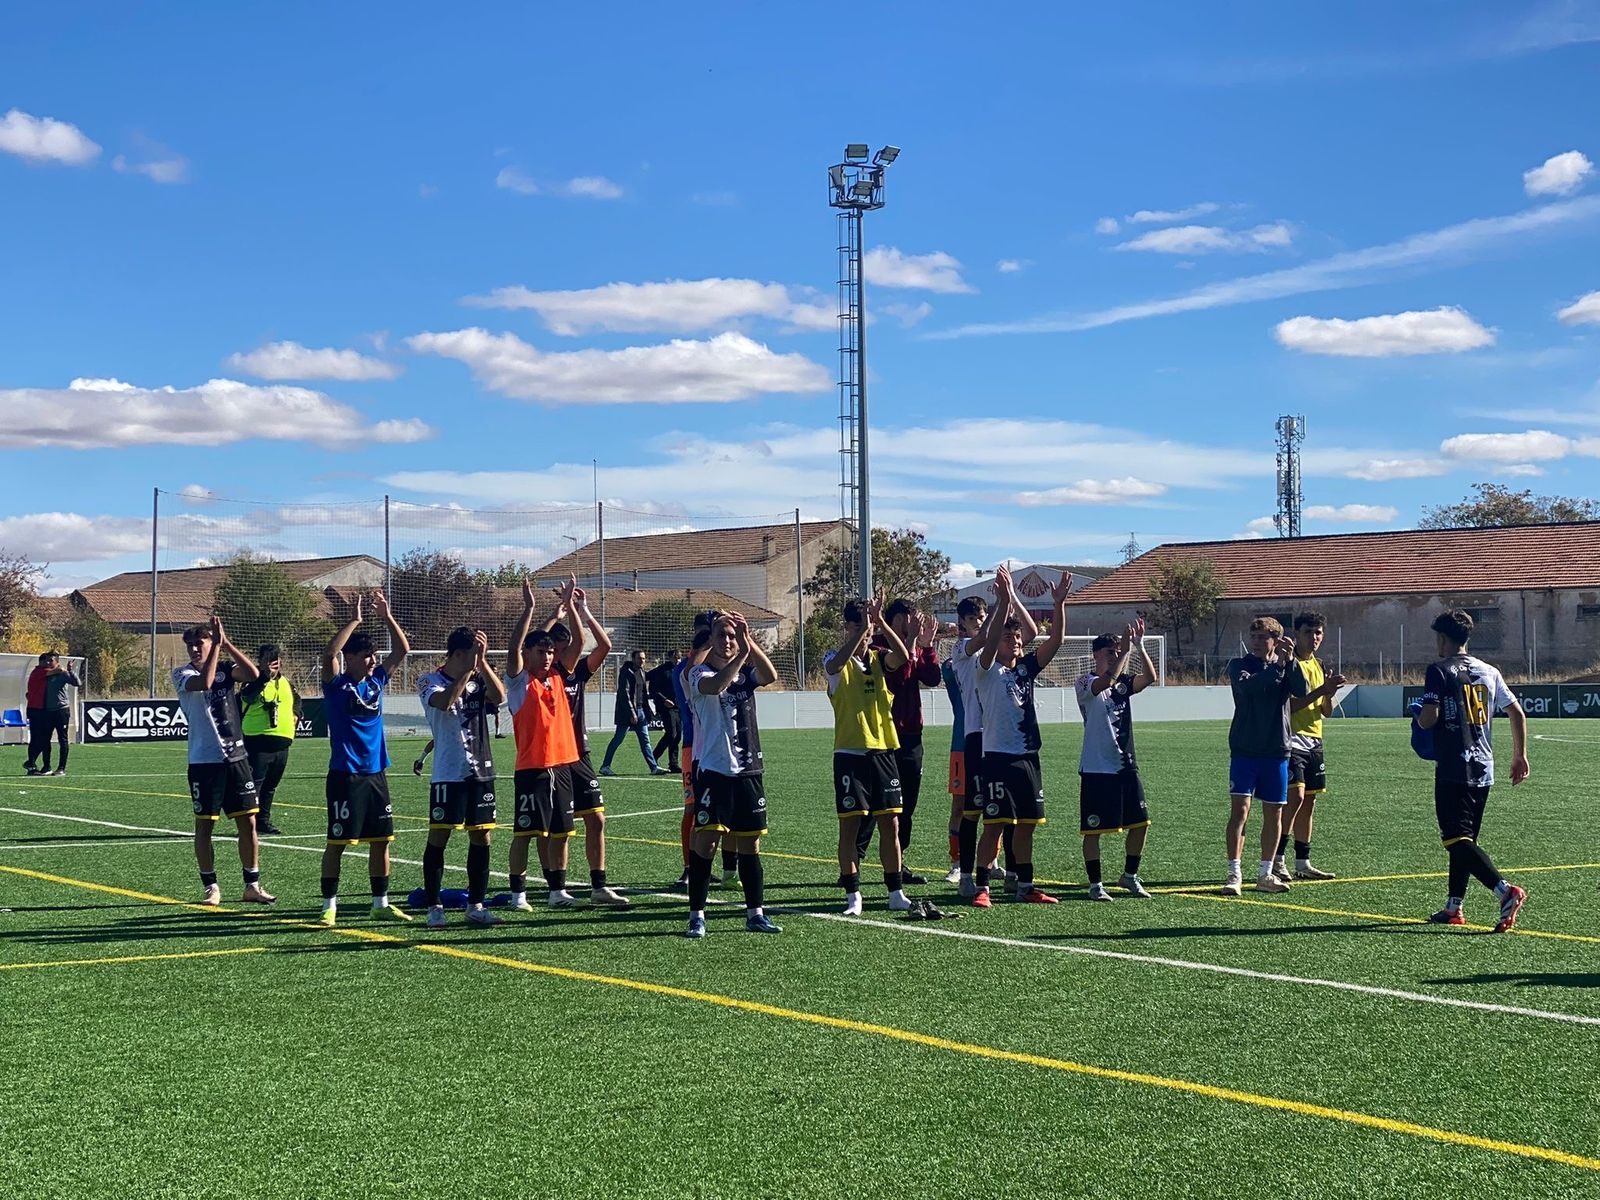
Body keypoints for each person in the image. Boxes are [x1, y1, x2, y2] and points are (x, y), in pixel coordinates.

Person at [506, 578, 621, 909]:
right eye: (540, 652)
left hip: (564, 764)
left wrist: (573, 606)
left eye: (550, 652)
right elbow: (516, 648)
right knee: (526, 833)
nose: (547, 657)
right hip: (533, 767)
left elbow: (582, 641)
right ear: (529, 653)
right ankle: (518, 895)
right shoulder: (519, 683)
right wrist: (530, 609)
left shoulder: (558, 675)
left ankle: (558, 892)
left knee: (560, 832)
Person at [1416, 610, 1530, 931]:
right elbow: (1516, 712)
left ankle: (1505, 891)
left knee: (1456, 839)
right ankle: (1454, 906)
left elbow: (1429, 718)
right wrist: (1519, 756)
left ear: (1442, 637)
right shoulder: (1488, 670)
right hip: (1484, 766)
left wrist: (1418, 717)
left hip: (1454, 765)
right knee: (1466, 840)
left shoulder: (1438, 670)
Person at [971, 566, 1065, 907]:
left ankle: (1025, 886)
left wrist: (1059, 605)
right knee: (995, 824)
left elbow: (1055, 641)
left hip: (1028, 758)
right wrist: (1003, 600)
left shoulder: (1025, 669)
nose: (1015, 642)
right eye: (1009, 639)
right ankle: (982, 886)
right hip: (997, 757)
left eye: (1017, 639)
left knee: (1026, 825)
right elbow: (993, 636)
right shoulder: (986, 670)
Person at [685, 611, 781, 938]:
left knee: (750, 845)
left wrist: (748, 641)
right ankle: (696, 914)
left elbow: (769, 675)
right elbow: (715, 686)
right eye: (722, 635)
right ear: (710, 639)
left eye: (731, 635)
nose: (727, 641)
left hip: (749, 769)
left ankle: (755, 913)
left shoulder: (744, 672)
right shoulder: (698, 673)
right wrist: (742, 653)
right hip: (715, 770)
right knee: (709, 843)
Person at [319, 591, 412, 926]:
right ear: (352, 657)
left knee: (381, 841)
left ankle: (380, 903)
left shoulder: (377, 683)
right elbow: (329, 653)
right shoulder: (336, 685)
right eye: (367, 656)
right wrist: (356, 619)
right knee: (338, 842)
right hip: (345, 774)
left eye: (374, 656)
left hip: (376, 773)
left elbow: (403, 650)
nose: (373, 660)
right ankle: (329, 905)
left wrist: (387, 615)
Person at [174, 617, 274, 906]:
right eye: (190, 645)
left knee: (249, 823)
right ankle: (211, 887)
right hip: (204, 762)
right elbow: (204, 682)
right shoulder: (181, 673)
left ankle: (252, 885)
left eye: (200, 643)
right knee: (205, 826)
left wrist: (226, 643)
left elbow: (255, 674)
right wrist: (216, 648)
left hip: (236, 758)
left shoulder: (226, 669)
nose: (194, 649)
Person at [826, 592, 914, 916]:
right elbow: (835, 664)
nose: (865, 632)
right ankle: (853, 895)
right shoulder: (834, 660)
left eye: (867, 626)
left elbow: (903, 657)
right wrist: (863, 631)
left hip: (883, 752)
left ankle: (895, 891)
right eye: (857, 625)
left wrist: (880, 624)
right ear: (847, 627)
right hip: (850, 753)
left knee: (890, 823)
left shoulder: (878, 659)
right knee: (850, 827)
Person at [418, 625, 506, 928]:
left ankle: (476, 905)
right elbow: (444, 703)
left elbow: (500, 696)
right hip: (448, 774)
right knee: (439, 837)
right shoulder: (428, 680)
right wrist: (467, 673)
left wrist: (481, 665)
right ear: (457, 654)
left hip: (481, 771)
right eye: (472, 653)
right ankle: (434, 907)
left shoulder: (479, 677)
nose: (476, 659)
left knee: (482, 836)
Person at [854, 601, 941, 885]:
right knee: (874, 804)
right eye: (908, 617)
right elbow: (900, 673)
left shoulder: (915, 644)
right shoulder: (877, 646)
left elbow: (931, 677)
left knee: (906, 805)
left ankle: (899, 864)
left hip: (912, 736)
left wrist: (926, 646)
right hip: (883, 736)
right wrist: (914, 642)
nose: (914, 622)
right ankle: (853, 860)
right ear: (894, 619)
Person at [1223, 617, 1310, 897]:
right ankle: (1234, 873)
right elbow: (1250, 688)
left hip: (1276, 751)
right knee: (1241, 811)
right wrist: (1279, 667)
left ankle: (1265, 873)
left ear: (1276, 640)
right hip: (1245, 750)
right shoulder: (1239, 666)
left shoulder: (1286, 665)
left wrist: (1291, 661)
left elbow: (1302, 691)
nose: (1258, 642)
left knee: (1274, 812)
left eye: (1264, 637)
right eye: (1254, 636)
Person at [549, 584, 624, 901]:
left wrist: (583, 609)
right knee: (562, 827)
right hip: (554, 756)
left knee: (596, 818)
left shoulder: (578, 672)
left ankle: (598, 886)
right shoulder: (543, 674)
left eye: (569, 646)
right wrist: (559, 612)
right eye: (562, 647)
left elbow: (603, 645)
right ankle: (557, 889)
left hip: (580, 752)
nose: (570, 652)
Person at [1075, 618, 1156, 901]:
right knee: (1093, 828)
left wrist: (1139, 646)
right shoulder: (1085, 682)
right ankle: (1095, 884)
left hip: (1125, 764)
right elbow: (1104, 683)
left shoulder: (1123, 683)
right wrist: (1123, 655)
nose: (1113, 655)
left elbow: (1149, 679)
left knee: (1140, 823)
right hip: (1097, 766)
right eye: (1109, 651)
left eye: (1115, 651)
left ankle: (1129, 876)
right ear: (1096, 655)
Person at [1273, 612, 1346, 882]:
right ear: (1296, 634)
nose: (1314, 638)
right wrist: (1320, 690)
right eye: (1308, 632)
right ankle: (1277, 859)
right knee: (1297, 798)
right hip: (1292, 738)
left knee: (1309, 802)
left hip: (1315, 740)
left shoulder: (1319, 664)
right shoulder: (1290, 666)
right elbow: (1291, 705)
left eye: (1318, 633)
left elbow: (1326, 711)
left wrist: (1329, 692)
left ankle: (1302, 862)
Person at [239, 644, 299, 835]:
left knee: (270, 786)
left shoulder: (286, 683)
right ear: (260, 661)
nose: (272, 664)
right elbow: (247, 697)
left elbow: (296, 701)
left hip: (282, 743)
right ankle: (248, 823)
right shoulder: (251, 681)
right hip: (258, 742)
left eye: (275, 660)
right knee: (254, 785)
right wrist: (264, 676)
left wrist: (297, 714)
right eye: (267, 660)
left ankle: (263, 821)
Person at [599, 648, 666, 776]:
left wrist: (646, 712)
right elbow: (625, 694)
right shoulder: (626, 672)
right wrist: (632, 713)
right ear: (633, 659)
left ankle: (653, 767)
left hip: (640, 712)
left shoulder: (641, 672)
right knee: (618, 739)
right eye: (639, 658)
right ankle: (605, 766)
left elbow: (643, 694)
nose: (642, 661)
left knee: (645, 741)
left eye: (644, 658)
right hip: (628, 714)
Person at [26, 652, 79, 777]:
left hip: (57, 711)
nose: (47, 663)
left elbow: (77, 683)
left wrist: (70, 671)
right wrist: (61, 668)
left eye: (50, 661)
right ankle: (35, 765)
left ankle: (60, 768)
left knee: (60, 739)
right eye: (45, 661)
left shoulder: (57, 674)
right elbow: (58, 670)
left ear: (56, 661)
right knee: (40, 739)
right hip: (39, 711)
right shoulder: (39, 672)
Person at [646, 649, 684, 772]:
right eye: (675, 658)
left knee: (677, 735)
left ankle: (673, 764)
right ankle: (654, 757)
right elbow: (654, 690)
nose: (677, 660)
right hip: (665, 707)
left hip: (678, 706)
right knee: (671, 733)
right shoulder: (661, 670)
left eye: (679, 658)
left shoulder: (680, 670)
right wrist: (664, 700)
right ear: (670, 658)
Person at [23, 652, 50, 776]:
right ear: (42, 661)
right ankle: (31, 764)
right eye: (48, 661)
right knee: (37, 739)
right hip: (36, 710)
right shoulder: (40, 671)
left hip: (38, 709)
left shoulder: (38, 673)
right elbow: (58, 670)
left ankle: (31, 762)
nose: (50, 664)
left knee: (42, 738)